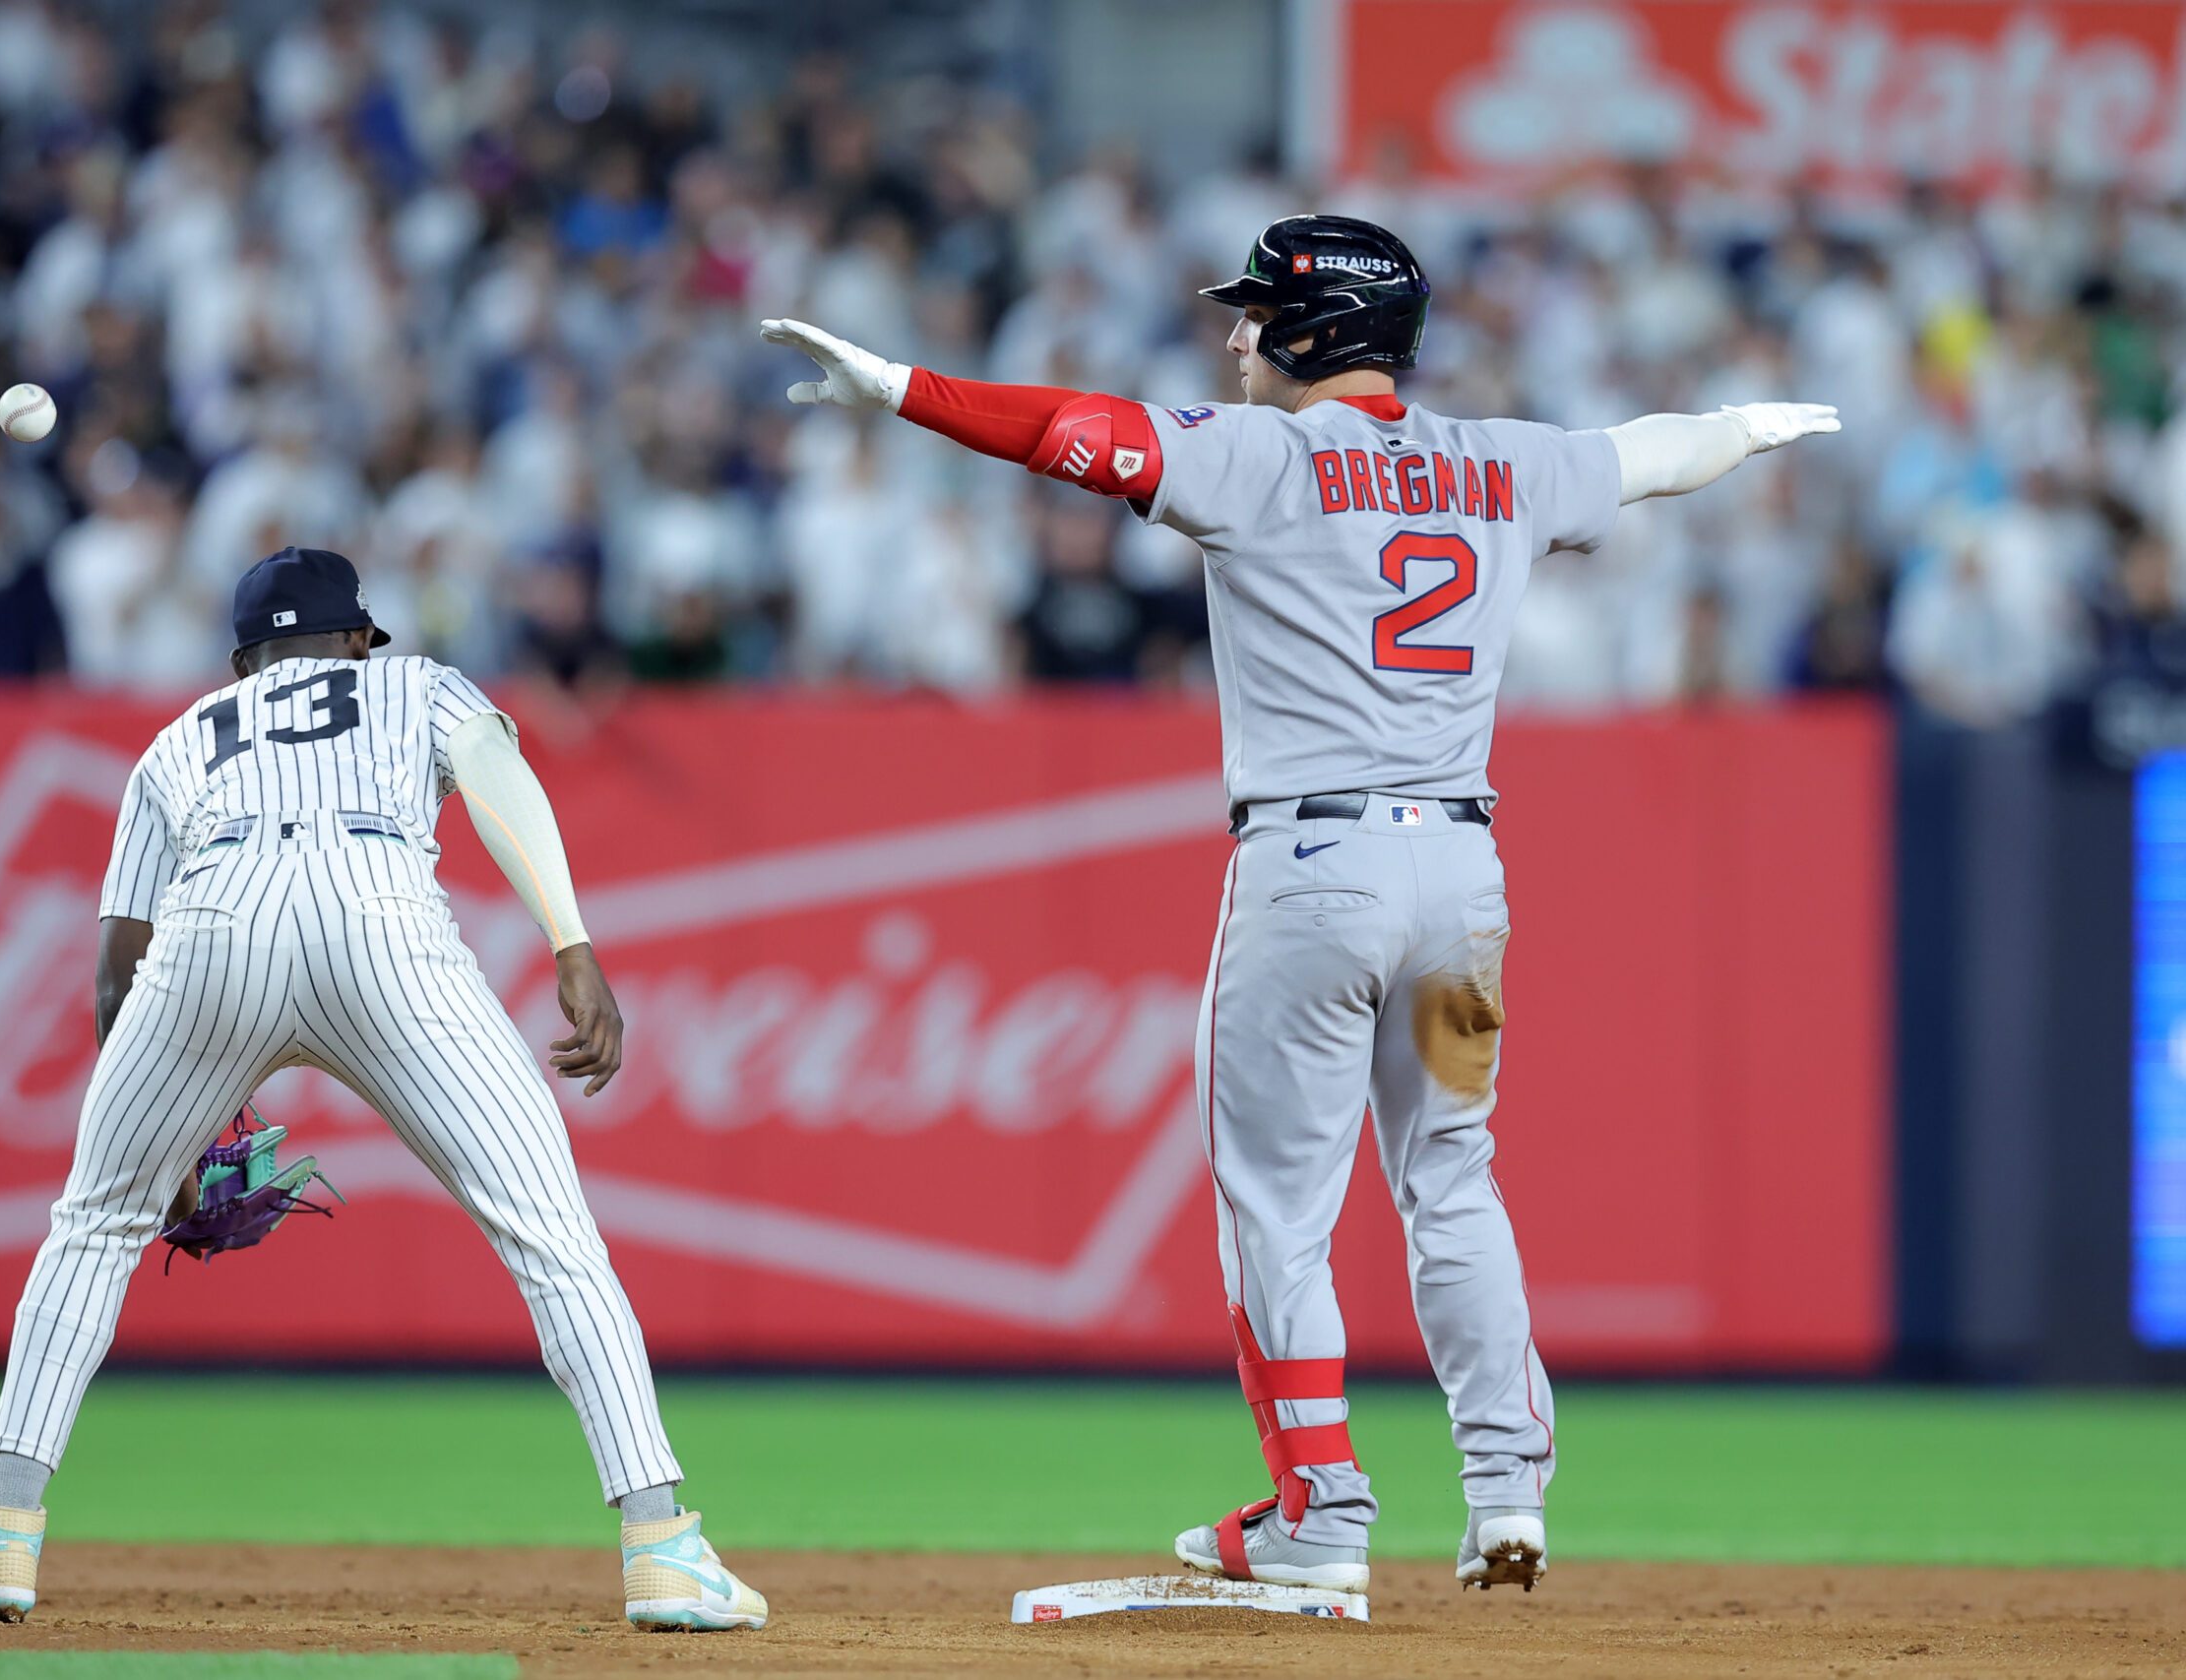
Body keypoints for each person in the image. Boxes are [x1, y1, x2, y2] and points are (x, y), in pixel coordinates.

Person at [762, 214, 1838, 1608]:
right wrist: (1751, 421)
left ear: (1311, 328)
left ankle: (1321, 1504)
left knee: (1278, 1203)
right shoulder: (1504, 460)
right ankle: (1507, 1487)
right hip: (1461, 890)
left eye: (1255, 309)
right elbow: (1656, 453)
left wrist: (902, 386)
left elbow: (1063, 430)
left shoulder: (1257, 454)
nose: (1233, 333)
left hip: (1314, 874)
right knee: (1453, 1172)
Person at [0, 545, 767, 1635]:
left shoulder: (178, 740)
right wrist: (572, 943)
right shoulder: (414, 683)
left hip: (215, 923)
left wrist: (161, 1148)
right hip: (384, 925)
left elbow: (119, 969)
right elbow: (501, 773)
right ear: (357, 638)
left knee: (92, 1224)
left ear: (242, 660)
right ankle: (663, 1548)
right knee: (553, 1240)